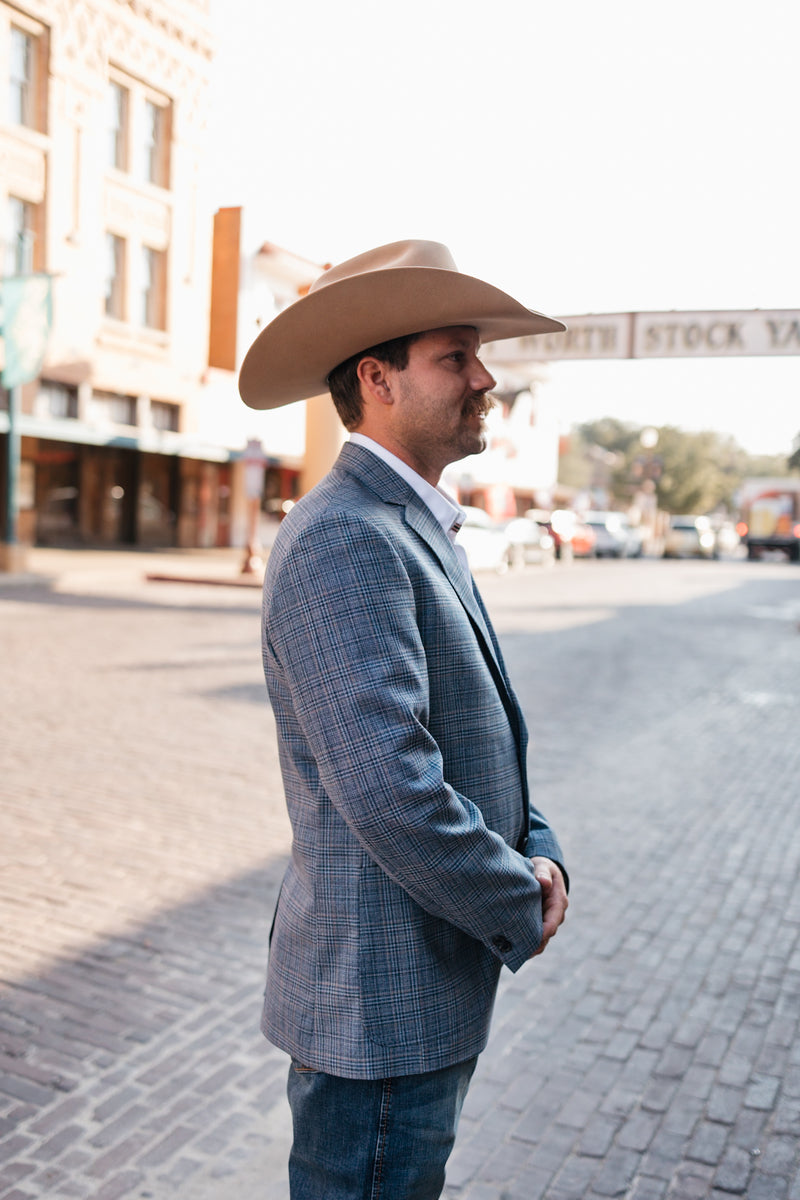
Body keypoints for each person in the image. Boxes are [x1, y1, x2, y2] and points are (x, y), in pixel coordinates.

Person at [239, 240, 569, 1200]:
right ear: (377, 379)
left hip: (412, 994)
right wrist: (521, 893)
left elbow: (481, 736)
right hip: (378, 1012)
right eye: (455, 356)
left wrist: (535, 842)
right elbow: (392, 788)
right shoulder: (347, 535)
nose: (486, 377)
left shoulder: (411, 522)